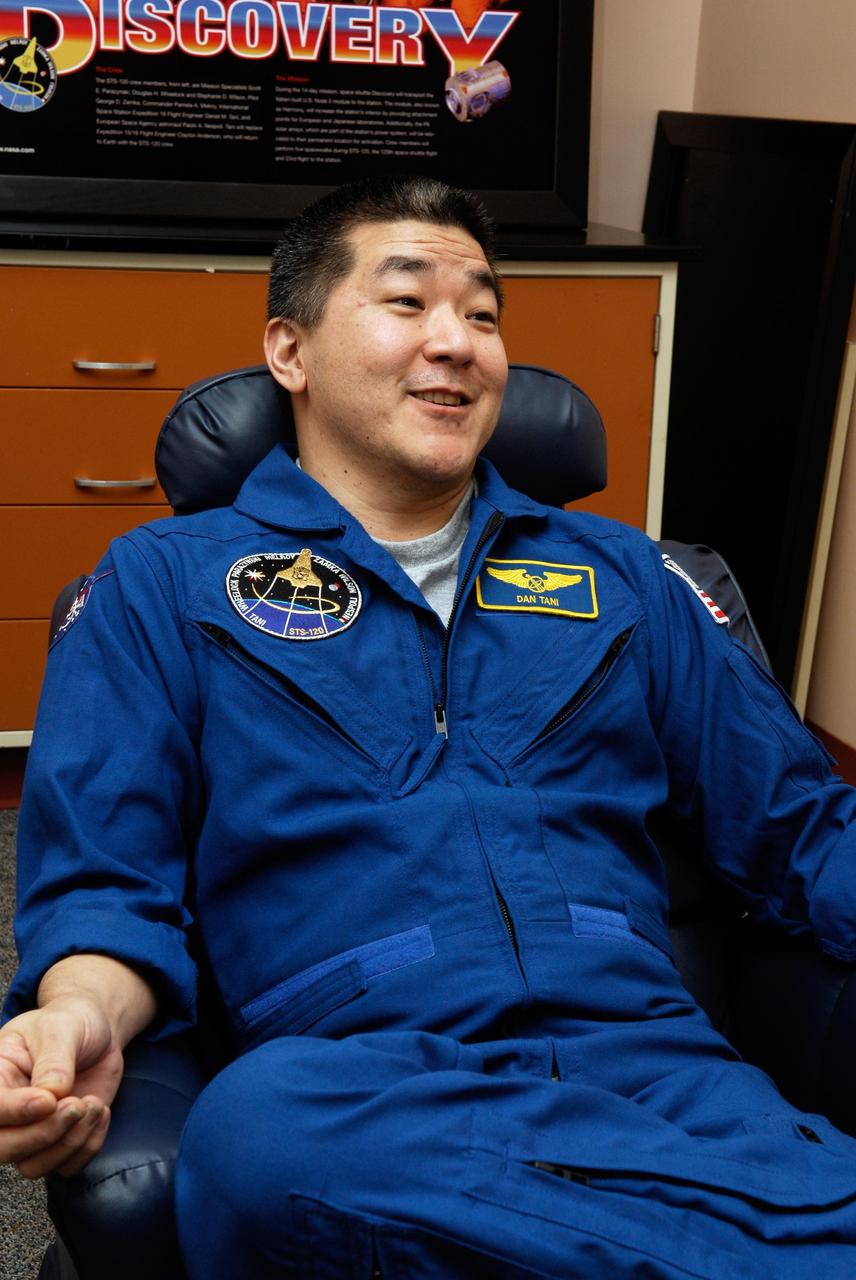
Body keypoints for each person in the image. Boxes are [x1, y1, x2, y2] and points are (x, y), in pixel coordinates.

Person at [3, 175, 856, 1278]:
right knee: (258, 1131)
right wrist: (78, 1013)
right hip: (372, 1091)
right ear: (289, 349)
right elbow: (105, 879)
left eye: (486, 314)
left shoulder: (624, 576)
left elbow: (799, 828)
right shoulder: (163, 586)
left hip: (655, 1073)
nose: (456, 341)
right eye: (407, 302)